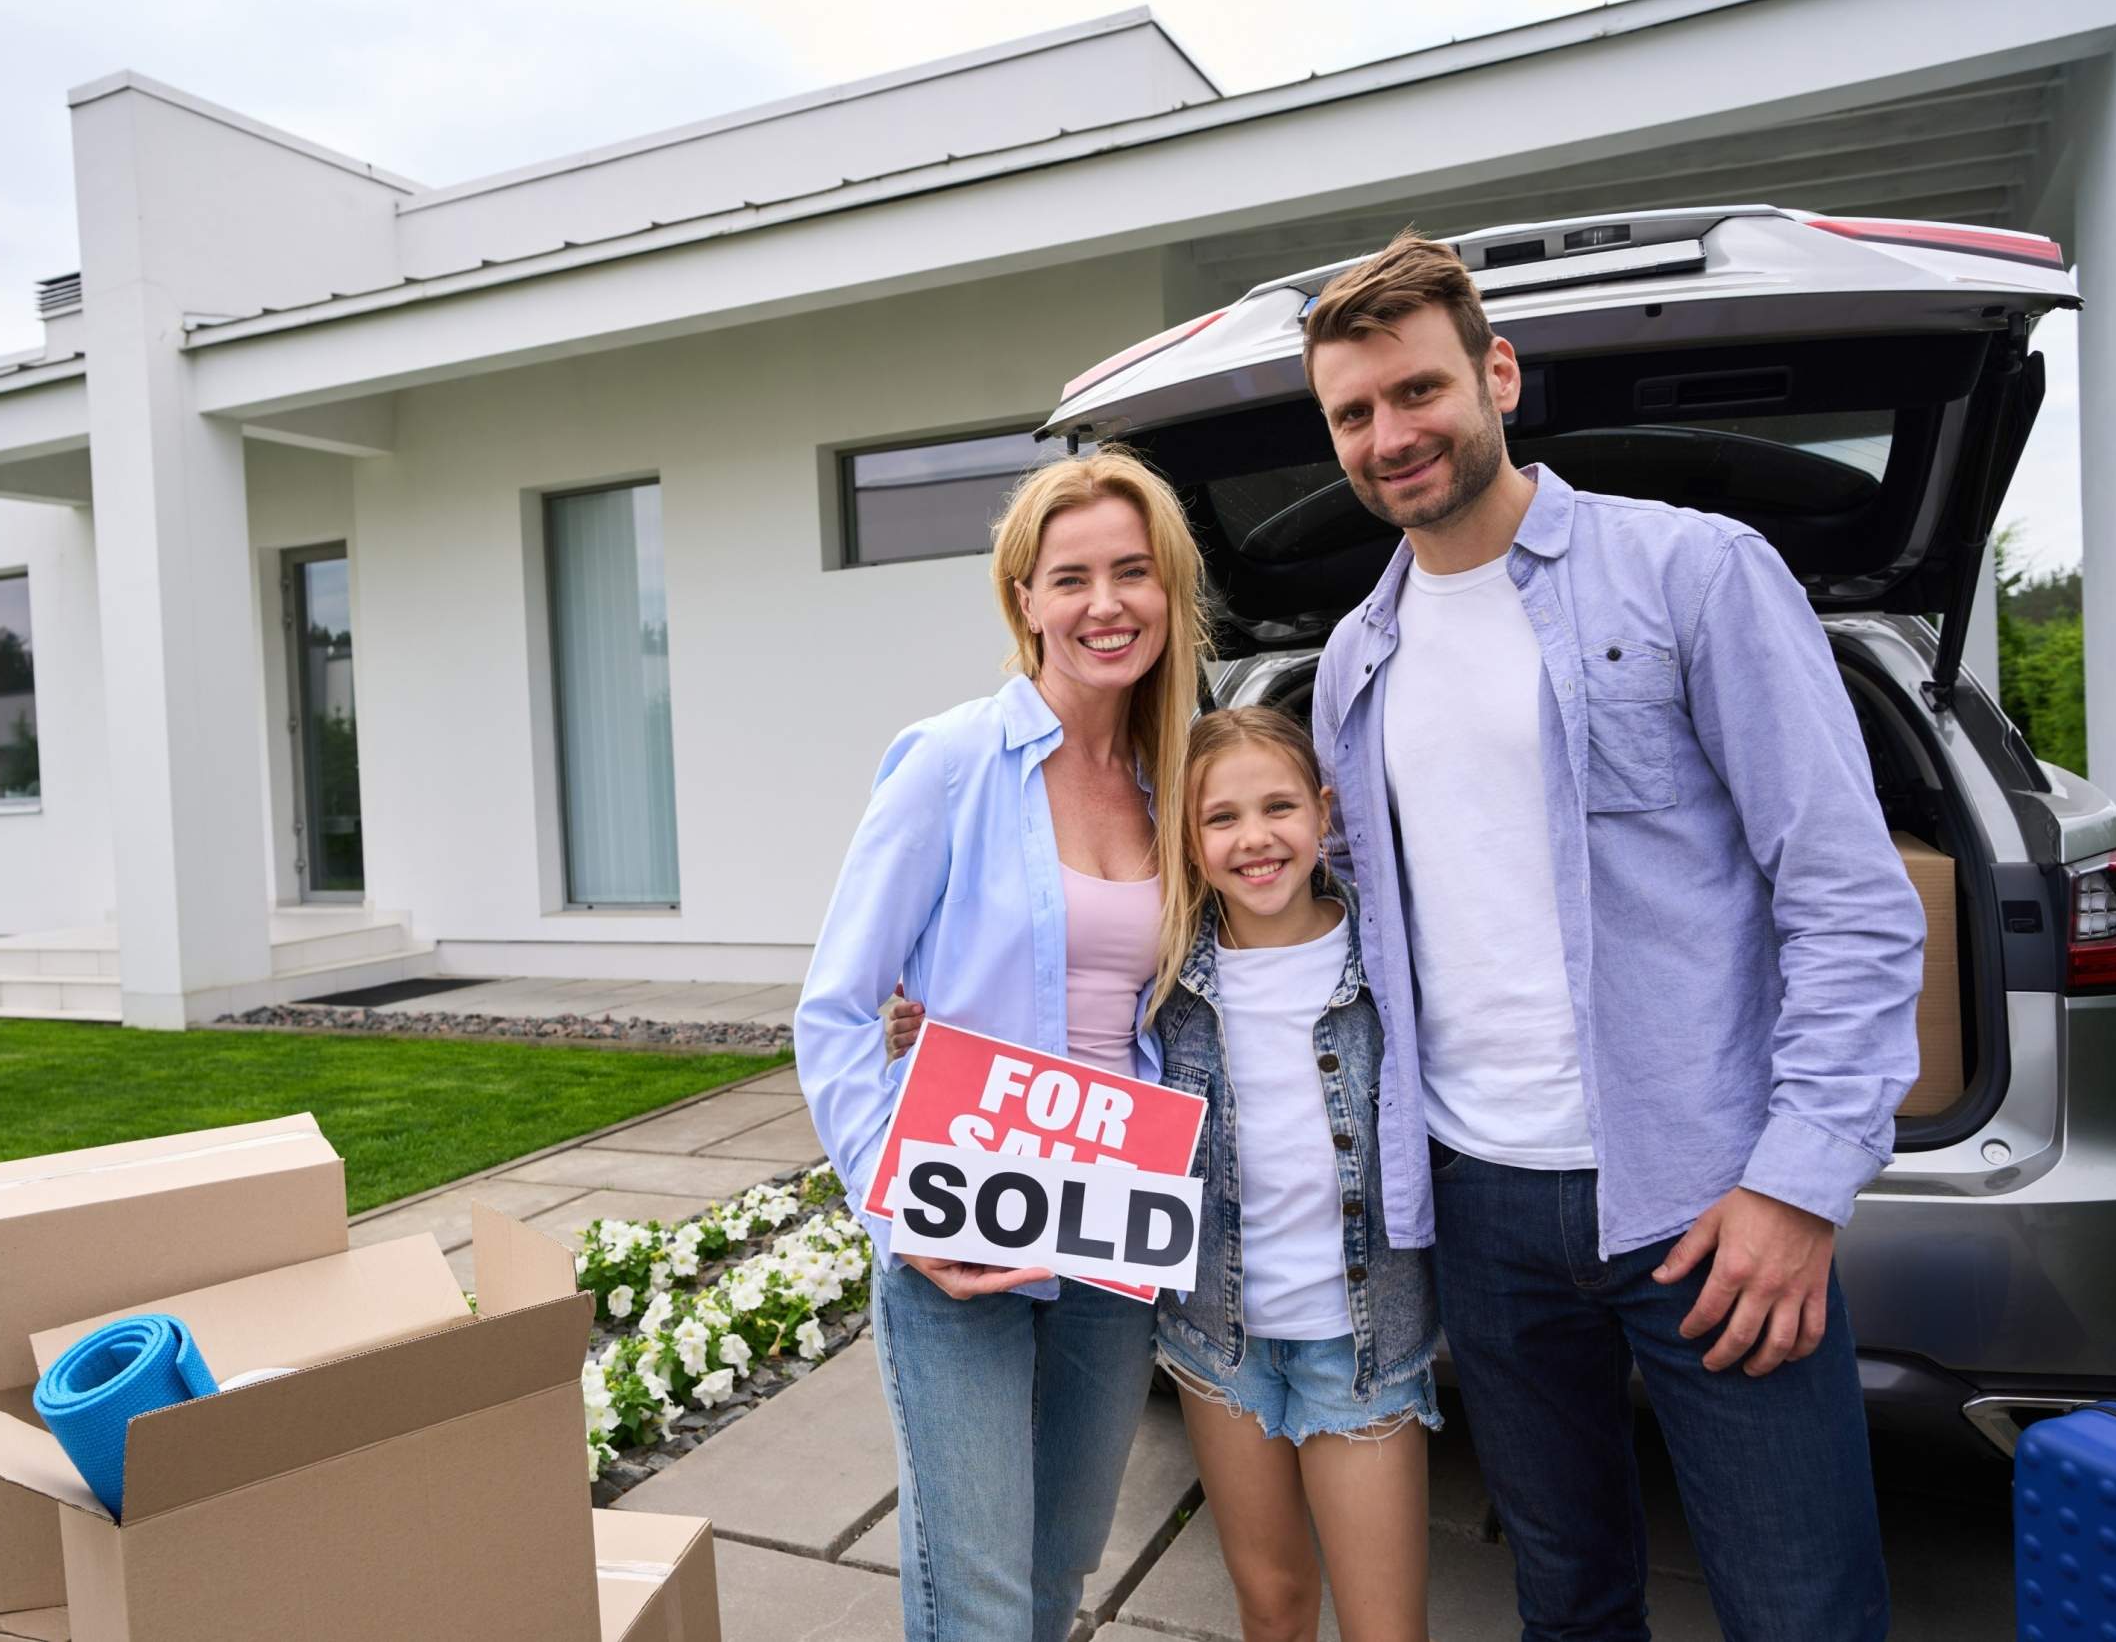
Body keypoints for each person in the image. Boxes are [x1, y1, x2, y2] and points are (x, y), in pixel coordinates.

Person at [1303, 230, 1924, 1641]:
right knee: (1569, 1603)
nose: (1389, 436)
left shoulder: (1691, 572)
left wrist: (1799, 1184)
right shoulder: (1353, 660)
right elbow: (1329, 917)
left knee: (1803, 1609)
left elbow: (1845, 893)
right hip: (1479, 1200)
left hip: (1708, 1192)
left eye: (1417, 390)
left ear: (1497, 375)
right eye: (1352, 412)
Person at [884, 705, 1441, 1642]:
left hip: (1360, 1339)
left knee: (1385, 1626)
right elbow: (1058, 1024)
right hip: (1219, 1342)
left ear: (1324, 810)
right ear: (1187, 839)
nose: (1255, 837)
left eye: (1279, 807)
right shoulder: (1170, 975)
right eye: (1221, 817)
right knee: (1272, 1605)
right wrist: (927, 1028)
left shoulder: (1387, 957)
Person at [793, 448, 1213, 1642]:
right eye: (1070, 577)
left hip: (1111, 1227)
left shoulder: (1174, 778)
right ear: (1023, 598)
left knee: (1054, 1579)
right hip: (963, 1227)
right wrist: (895, 1207)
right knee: (975, 1605)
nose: (1104, 604)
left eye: (1132, 572)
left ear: (1169, 591)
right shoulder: (950, 761)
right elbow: (835, 1008)